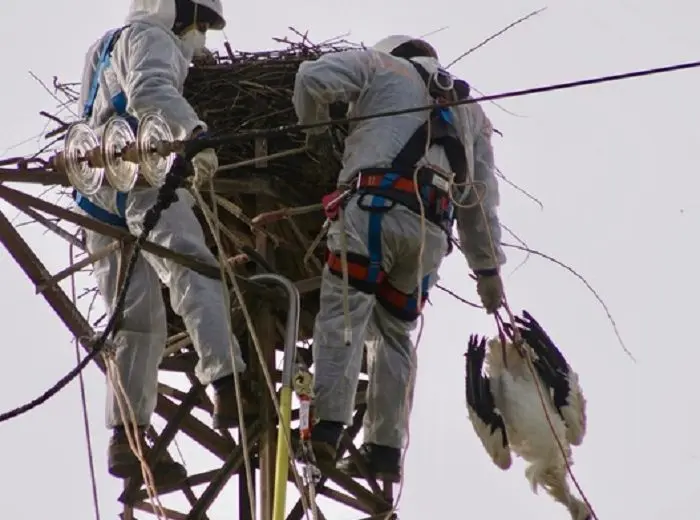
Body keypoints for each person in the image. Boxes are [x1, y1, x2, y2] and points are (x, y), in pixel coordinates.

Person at [292, 34, 506, 481]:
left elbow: (311, 78)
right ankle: (383, 449)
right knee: (393, 334)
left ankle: (328, 427)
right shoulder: (472, 114)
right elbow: (479, 202)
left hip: (373, 213)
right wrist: (487, 271)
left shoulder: (380, 67)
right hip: (430, 235)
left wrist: (314, 138)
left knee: (345, 312)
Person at [75, 0, 252, 484]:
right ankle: (227, 383)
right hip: (143, 177)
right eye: (200, 22)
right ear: (174, 10)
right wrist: (195, 133)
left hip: (95, 191)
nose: (200, 34)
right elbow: (150, 90)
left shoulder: (104, 46)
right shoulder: (153, 39)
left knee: (134, 324)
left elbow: (89, 115)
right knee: (190, 269)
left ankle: (127, 436)